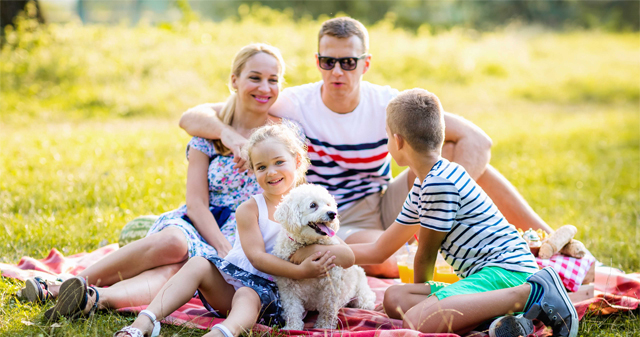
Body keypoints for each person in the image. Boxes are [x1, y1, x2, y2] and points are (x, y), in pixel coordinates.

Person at [179, 17, 552, 278]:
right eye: (328, 61)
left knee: (457, 162)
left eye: (348, 62)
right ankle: (469, 263)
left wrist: (443, 196)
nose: (337, 71)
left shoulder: (387, 103)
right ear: (318, 62)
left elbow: (477, 140)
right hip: (337, 215)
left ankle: (550, 242)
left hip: (389, 199)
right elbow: (192, 116)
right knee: (378, 262)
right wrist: (228, 136)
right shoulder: (293, 102)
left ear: (365, 63)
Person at [27, 43, 290, 318]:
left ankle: (92, 299)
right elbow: (197, 202)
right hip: (198, 221)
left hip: (242, 235)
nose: (265, 88)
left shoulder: (281, 135)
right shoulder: (210, 131)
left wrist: (229, 247)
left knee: (177, 270)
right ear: (234, 80)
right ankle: (67, 285)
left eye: (273, 80)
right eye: (255, 77)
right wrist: (219, 245)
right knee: (176, 244)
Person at [95, 123, 353, 337]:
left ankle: (223, 335)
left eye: (279, 162)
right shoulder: (250, 209)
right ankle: (147, 319)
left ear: (297, 161)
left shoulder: (312, 208)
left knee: (248, 294)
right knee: (197, 262)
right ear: (252, 171)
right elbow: (257, 258)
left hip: (273, 298)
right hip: (231, 286)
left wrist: (315, 262)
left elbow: (346, 254)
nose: (271, 172)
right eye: (261, 167)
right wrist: (300, 271)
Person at [349, 89, 578, 337]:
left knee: (415, 321)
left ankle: (534, 292)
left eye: (388, 137)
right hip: (485, 276)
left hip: (506, 273)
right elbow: (380, 249)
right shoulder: (425, 182)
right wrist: (331, 254)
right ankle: (508, 318)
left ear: (398, 141)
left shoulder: (438, 184)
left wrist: (429, 308)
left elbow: (425, 254)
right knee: (394, 298)